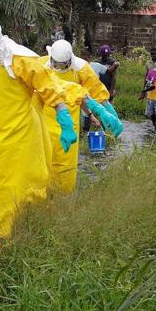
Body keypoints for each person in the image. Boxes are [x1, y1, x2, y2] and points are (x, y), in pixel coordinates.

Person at [0, 19, 76, 255]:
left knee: (25, 186)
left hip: (23, 134)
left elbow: (49, 89)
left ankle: (26, 231)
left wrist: (65, 122)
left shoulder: (20, 60)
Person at [42, 39, 123, 195]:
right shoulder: (41, 65)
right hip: (45, 120)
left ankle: (62, 196)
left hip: (70, 122)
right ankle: (44, 196)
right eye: (57, 65)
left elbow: (93, 91)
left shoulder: (81, 68)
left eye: (64, 66)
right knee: (44, 160)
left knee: (66, 163)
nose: (60, 68)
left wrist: (106, 110)